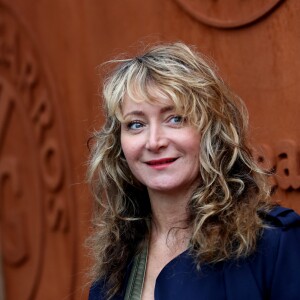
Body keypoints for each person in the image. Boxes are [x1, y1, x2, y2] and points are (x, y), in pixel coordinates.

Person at [87, 42, 300, 300]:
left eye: (175, 118)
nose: (154, 141)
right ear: (118, 143)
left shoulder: (273, 245)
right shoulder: (113, 273)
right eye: (135, 124)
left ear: (210, 131)